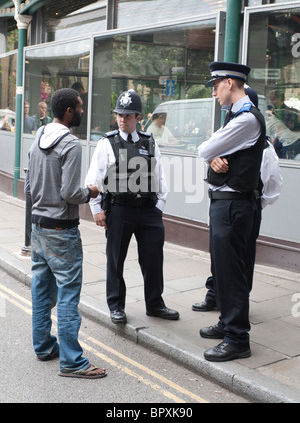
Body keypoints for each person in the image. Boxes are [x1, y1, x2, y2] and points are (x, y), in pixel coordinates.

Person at [25, 88, 106, 379]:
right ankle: (72, 362)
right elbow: (71, 193)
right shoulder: (71, 144)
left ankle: (44, 346)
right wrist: (92, 191)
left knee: (41, 290)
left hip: (38, 227)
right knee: (68, 295)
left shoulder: (38, 137)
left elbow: (29, 187)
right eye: (81, 107)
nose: (83, 111)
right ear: (69, 111)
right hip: (62, 230)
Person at [85, 89, 179, 324]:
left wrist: (159, 207)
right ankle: (116, 305)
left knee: (153, 259)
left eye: (127, 116)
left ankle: (155, 304)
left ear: (138, 118)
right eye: (119, 114)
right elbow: (93, 179)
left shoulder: (149, 142)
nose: (122, 119)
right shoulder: (106, 144)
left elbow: (160, 177)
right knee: (115, 259)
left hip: (148, 211)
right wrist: (97, 209)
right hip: (119, 209)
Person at [197, 62, 266, 362]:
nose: (214, 93)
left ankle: (237, 338)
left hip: (234, 205)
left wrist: (211, 154)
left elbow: (203, 149)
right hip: (226, 203)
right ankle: (227, 322)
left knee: (232, 272)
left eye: (215, 87)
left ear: (229, 83)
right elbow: (213, 153)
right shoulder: (234, 116)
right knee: (223, 269)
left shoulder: (247, 119)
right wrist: (214, 157)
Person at [192, 86, 283, 313]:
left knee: (240, 261)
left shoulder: (263, 147)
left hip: (246, 206)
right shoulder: (229, 139)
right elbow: (204, 151)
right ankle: (215, 296)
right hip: (225, 205)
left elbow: (273, 185)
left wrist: (254, 204)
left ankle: (235, 309)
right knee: (220, 257)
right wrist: (212, 159)